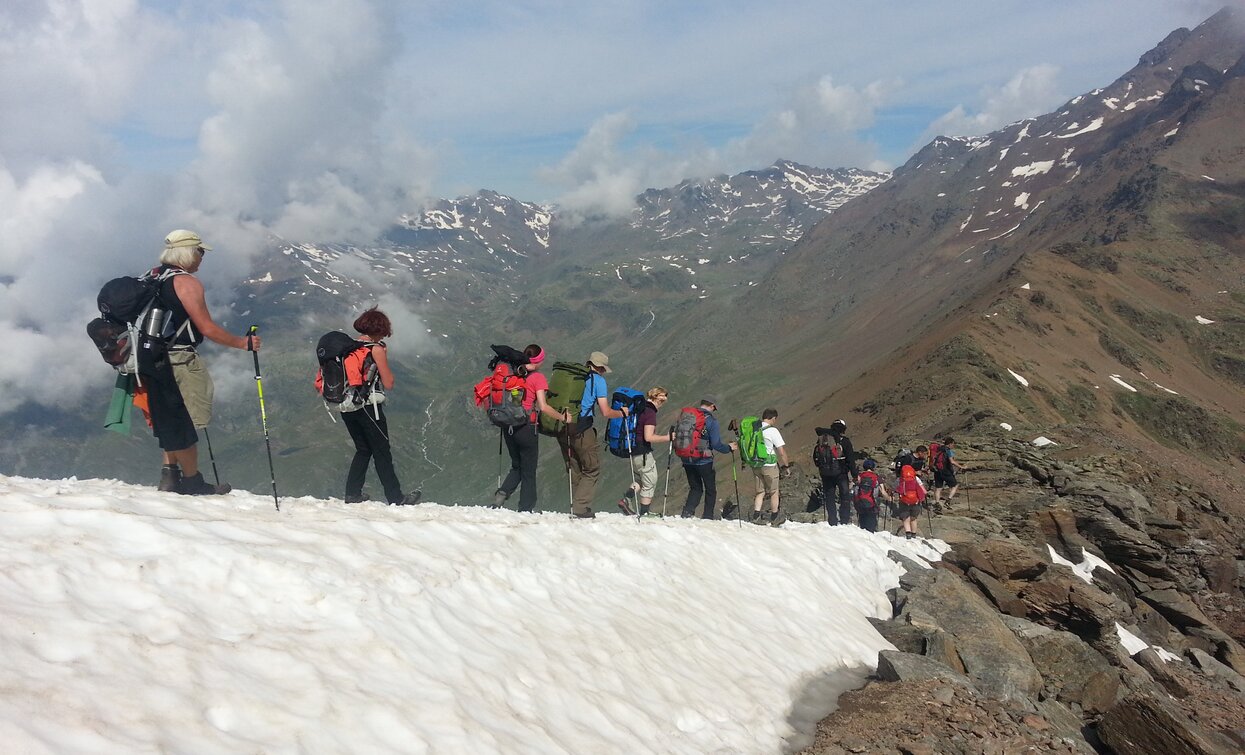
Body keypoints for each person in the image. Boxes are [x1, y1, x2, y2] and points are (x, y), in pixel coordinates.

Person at [141, 229, 259, 496]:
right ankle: (192, 480)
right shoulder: (187, 283)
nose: (202, 257)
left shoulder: (152, 276)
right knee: (188, 419)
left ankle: (170, 477)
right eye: (200, 251)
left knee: (169, 418)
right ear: (187, 252)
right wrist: (244, 343)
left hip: (150, 358)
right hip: (179, 358)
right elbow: (206, 328)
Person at [339, 307, 420, 506]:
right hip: (369, 407)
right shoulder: (374, 349)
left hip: (347, 406)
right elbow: (389, 382)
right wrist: (383, 356)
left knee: (363, 449)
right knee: (382, 452)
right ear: (380, 329)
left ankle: (352, 493)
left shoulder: (347, 347)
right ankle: (396, 498)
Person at [494, 345, 565, 512]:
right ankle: (526, 508)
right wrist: (563, 418)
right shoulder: (537, 378)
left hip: (508, 426)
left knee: (517, 465)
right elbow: (543, 406)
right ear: (539, 361)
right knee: (529, 470)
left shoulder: (513, 373)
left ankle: (500, 496)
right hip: (527, 427)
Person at [558, 351, 628, 518]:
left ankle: (576, 505)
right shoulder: (598, 381)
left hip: (562, 426)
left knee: (574, 467)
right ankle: (580, 508)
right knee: (591, 468)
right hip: (582, 429)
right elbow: (606, 411)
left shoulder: (573, 376)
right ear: (600, 367)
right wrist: (622, 413)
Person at [618, 386, 671, 516]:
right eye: (663, 395)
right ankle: (644, 513)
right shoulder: (650, 413)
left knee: (641, 479)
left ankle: (626, 499)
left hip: (633, 450)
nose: (665, 398)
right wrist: (668, 437)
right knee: (650, 481)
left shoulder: (640, 409)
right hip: (643, 452)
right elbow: (649, 437)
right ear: (657, 397)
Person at [680, 396, 736, 519]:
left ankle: (687, 513)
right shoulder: (711, 421)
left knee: (695, 487)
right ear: (712, 406)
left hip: (686, 458)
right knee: (710, 489)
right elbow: (716, 444)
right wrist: (729, 448)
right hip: (703, 460)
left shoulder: (688, 416)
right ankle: (707, 516)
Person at [749, 408, 792, 525]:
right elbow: (781, 451)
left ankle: (756, 516)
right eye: (775, 419)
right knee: (774, 492)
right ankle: (774, 517)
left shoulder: (754, 428)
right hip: (769, 465)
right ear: (772, 418)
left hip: (756, 464)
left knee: (760, 492)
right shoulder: (772, 431)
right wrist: (786, 466)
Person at [813, 419, 857, 525]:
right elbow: (851, 459)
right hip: (841, 473)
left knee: (829, 496)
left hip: (825, 473)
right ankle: (844, 520)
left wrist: (822, 467)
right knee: (844, 496)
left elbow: (815, 457)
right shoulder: (844, 441)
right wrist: (855, 474)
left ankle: (832, 521)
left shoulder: (823, 440)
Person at [853, 459, 891, 533]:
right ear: (873, 467)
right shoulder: (877, 477)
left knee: (862, 526)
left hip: (860, 503)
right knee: (870, 527)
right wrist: (889, 498)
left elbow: (853, 488)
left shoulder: (859, 476)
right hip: (872, 504)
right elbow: (883, 492)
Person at [930, 437, 965, 512]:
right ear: (950, 444)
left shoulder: (939, 449)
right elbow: (952, 461)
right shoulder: (948, 451)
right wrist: (961, 466)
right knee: (955, 485)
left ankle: (937, 503)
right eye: (953, 444)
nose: (953, 446)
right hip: (946, 471)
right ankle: (948, 501)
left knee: (938, 488)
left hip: (937, 471)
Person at [894, 464, 927, 539]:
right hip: (915, 501)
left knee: (906, 518)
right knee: (913, 518)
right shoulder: (916, 479)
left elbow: (895, 488)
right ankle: (914, 534)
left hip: (904, 501)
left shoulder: (900, 479)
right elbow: (923, 490)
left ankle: (908, 534)